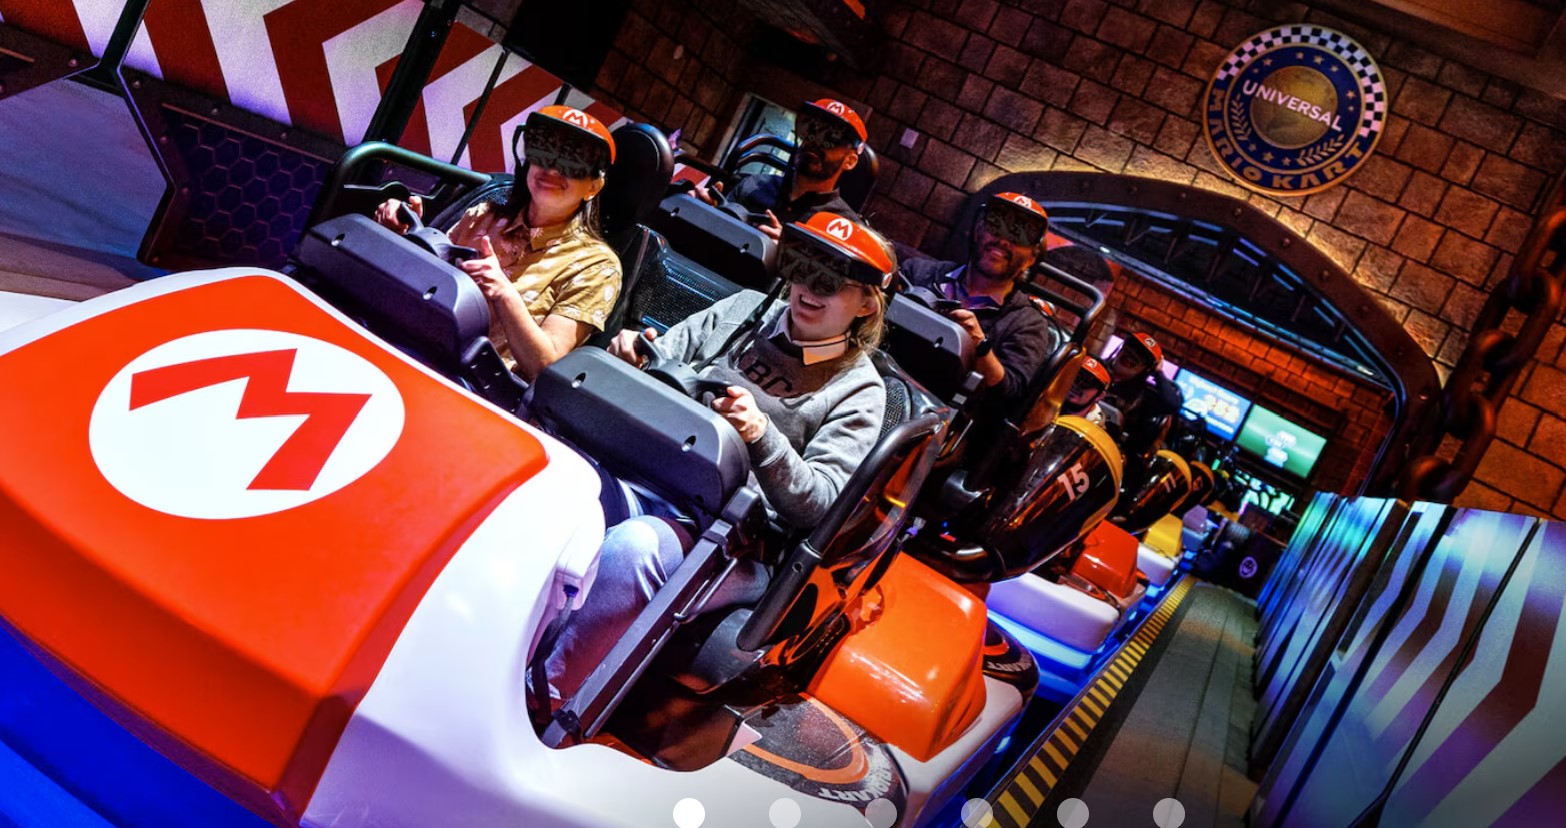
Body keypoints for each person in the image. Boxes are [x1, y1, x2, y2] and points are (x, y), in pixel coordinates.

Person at [546, 212, 894, 700]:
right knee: (555, 494)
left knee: (636, 549)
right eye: (803, 267)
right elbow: (663, 362)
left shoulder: (859, 391)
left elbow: (818, 505)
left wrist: (761, 434)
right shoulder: (745, 310)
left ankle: (551, 695)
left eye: (831, 282)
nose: (808, 289)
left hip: (731, 534)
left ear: (867, 304)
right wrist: (635, 358)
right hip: (649, 470)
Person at [374, 105, 621, 381]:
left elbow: (544, 365)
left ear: (593, 187)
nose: (551, 168)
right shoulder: (484, 215)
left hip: (477, 387)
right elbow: (423, 284)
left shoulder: (597, 266)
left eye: (572, 163)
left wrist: (504, 294)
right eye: (544, 150)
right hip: (410, 346)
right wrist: (401, 235)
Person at [899, 192, 1063, 419]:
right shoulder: (919, 273)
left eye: (1020, 236)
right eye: (997, 226)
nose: (1004, 241)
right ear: (977, 232)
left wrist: (979, 346)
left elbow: (1009, 395)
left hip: (937, 418)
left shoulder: (1027, 324)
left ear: (1030, 259)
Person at [691, 99, 868, 241]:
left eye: (830, 139)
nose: (815, 144)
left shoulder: (844, 229)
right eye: (812, 132)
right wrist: (705, 211)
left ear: (850, 161)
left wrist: (784, 256)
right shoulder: (754, 185)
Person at [1062, 354, 1113, 428]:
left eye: (1088, 383)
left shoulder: (1095, 431)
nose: (1077, 385)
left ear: (1100, 395)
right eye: (1076, 377)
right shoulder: (1046, 401)